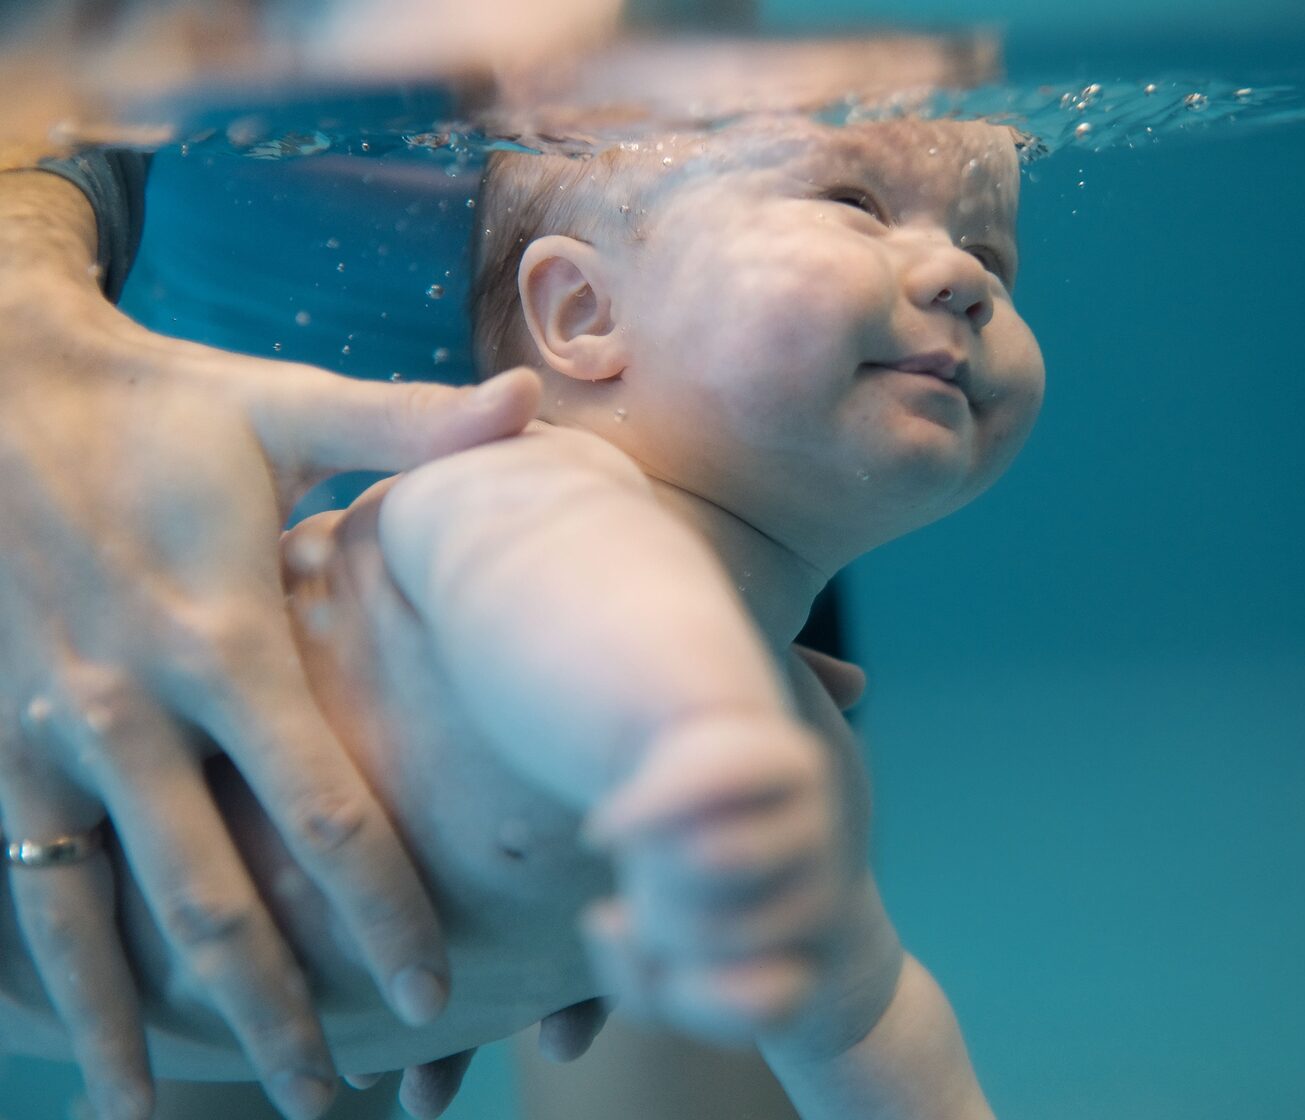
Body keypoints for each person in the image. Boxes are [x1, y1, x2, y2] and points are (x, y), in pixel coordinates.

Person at [0, 112, 1042, 1117]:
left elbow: (867, 1031)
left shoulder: (803, 748)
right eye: (853, 201)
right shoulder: (523, 488)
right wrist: (700, 742)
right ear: (584, 313)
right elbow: (558, 594)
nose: (965, 281)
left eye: (990, 252)